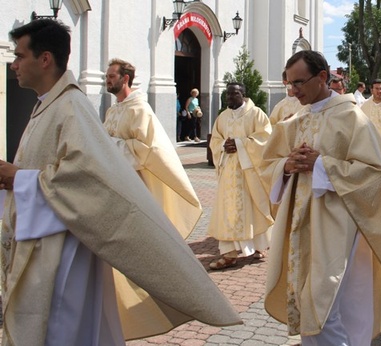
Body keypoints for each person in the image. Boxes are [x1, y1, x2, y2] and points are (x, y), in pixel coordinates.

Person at [0, 19, 241, 345]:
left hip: (65, 246)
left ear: (44, 59)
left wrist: (20, 179)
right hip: (48, 227)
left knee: (63, 329)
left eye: (19, 55)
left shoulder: (72, 106)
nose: (13, 64)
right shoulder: (49, 105)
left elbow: (91, 171)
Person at [262, 50, 381, 346]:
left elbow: (377, 173)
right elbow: (268, 165)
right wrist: (287, 166)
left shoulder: (352, 117)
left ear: (323, 77)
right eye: (289, 84)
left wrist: (322, 165)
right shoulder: (294, 121)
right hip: (300, 228)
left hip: (341, 227)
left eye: (300, 83)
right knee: (309, 304)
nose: (294, 91)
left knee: (324, 306)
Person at [103, 58, 202, 239]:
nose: (107, 80)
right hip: (115, 182)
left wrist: (111, 144)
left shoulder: (140, 109)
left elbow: (147, 149)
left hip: (137, 184)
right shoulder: (113, 110)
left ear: (125, 78)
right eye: (106, 76)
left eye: (111, 76)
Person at [207, 82, 274, 269]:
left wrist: (240, 144)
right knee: (227, 211)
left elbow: (265, 139)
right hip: (228, 171)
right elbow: (216, 140)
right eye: (227, 94)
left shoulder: (256, 114)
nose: (229, 98)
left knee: (253, 208)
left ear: (243, 94)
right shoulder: (223, 117)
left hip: (249, 171)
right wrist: (223, 146)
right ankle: (228, 254)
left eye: (233, 94)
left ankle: (260, 246)